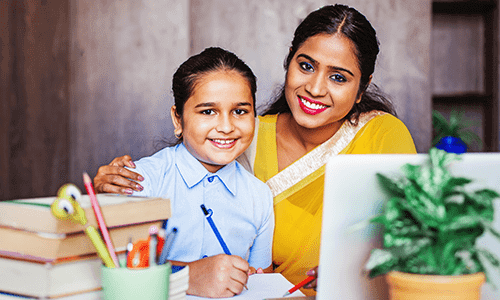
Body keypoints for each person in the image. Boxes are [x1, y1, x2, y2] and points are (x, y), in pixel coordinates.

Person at [93, 4, 416, 296]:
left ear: (362, 87)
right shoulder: (240, 137)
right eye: (306, 66)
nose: (316, 88)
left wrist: (351, 274)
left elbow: (415, 241)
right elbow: (112, 260)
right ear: (289, 58)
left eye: (338, 77)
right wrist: (109, 196)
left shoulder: (381, 135)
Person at [118, 47, 274, 298]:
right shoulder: (143, 181)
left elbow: (262, 283)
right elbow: (114, 272)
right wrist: (186, 276)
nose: (226, 126)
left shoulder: (259, 196)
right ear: (178, 119)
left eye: (240, 111)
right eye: (208, 111)